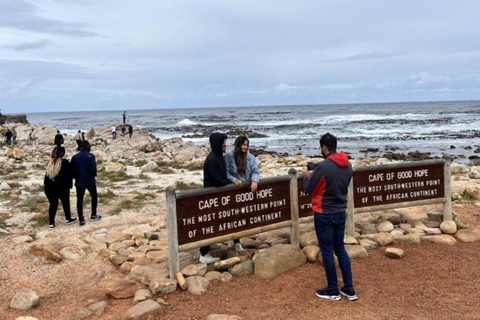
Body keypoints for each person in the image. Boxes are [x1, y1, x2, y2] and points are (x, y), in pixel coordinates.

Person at [303, 133, 357, 301]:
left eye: (321, 148)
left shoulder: (323, 167)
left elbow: (308, 189)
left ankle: (332, 289)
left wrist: (307, 176)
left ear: (324, 148)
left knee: (327, 251)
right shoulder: (347, 165)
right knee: (339, 248)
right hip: (340, 211)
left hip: (324, 213)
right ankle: (349, 288)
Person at [200, 132, 232, 264]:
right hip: (210, 197)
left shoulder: (219, 156)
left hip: (217, 197)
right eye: (223, 142)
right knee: (209, 224)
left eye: (225, 142)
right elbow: (217, 180)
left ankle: (209, 245)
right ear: (217, 144)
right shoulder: (212, 159)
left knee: (215, 223)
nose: (225, 145)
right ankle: (203, 253)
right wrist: (230, 183)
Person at [225, 135, 260, 251]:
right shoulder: (229, 156)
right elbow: (226, 173)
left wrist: (254, 181)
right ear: (238, 145)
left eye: (247, 145)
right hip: (234, 191)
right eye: (243, 145)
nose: (245, 147)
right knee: (235, 216)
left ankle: (239, 239)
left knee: (244, 215)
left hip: (246, 191)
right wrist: (234, 180)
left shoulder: (251, 158)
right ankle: (236, 242)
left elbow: (255, 171)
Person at [44, 147, 77, 229]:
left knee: (53, 205)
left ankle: (51, 223)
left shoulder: (50, 163)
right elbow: (72, 174)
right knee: (65, 203)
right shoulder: (65, 163)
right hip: (62, 187)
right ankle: (68, 219)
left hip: (49, 187)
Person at [71, 140, 102, 226]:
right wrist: (93, 174)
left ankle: (81, 219)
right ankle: (93, 214)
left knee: (80, 199)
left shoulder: (75, 157)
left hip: (79, 181)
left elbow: (72, 171)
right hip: (90, 180)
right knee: (94, 196)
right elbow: (93, 169)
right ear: (88, 147)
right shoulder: (90, 156)